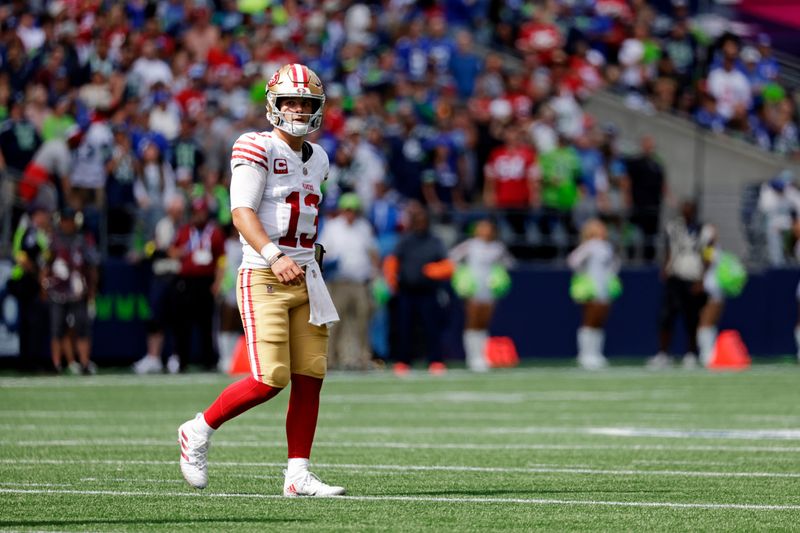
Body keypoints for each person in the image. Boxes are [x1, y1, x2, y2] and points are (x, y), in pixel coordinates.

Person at [178, 64, 344, 497]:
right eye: (290, 100)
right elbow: (242, 213)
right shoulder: (255, 145)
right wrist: (275, 254)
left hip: (306, 274)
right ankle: (197, 429)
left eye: (306, 102)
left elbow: (302, 216)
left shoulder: (320, 158)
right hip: (264, 272)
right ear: (273, 103)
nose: (297, 108)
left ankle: (298, 475)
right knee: (270, 378)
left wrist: (310, 255)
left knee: (311, 374)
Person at [384, 201, 454, 376]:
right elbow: (393, 261)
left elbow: (447, 265)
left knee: (432, 328)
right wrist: (392, 278)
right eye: (418, 220)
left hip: (428, 291)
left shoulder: (435, 241)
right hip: (407, 291)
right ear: (413, 222)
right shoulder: (405, 240)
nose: (421, 223)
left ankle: (436, 362)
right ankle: (403, 362)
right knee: (404, 328)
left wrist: (435, 271)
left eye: (424, 220)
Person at [318, 192, 379, 371]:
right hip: (339, 282)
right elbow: (322, 250)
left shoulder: (364, 227)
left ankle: (361, 359)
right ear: (342, 210)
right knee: (335, 322)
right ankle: (330, 360)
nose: (350, 213)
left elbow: (372, 251)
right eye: (347, 209)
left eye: (353, 210)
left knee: (362, 321)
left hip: (361, 282)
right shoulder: (332, 226)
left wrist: (376, 273)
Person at [449, 218, 514, 372]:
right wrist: (463, 277)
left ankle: (483, 357)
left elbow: (509, 263)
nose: (485, 231)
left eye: (487, 228)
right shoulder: (470, 245)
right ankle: (472, 357)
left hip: (489, 289)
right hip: (473, 289)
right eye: (481, 228)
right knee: (472, 322)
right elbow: (452, 257)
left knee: (484, 323)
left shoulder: (498, 247)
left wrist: (498, 276)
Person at [648, 200, 707, 369]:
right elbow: (668, 249)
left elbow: (707, 255)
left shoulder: (704, 230)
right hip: (675, 277)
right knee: (666, 316)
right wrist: (666, 267)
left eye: (690, 210)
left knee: (692, 318)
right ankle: (663, 354)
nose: (686, 213)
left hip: (693, 277)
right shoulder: (673, 227)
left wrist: (702, 279)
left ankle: (691, 353)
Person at [43, 207, 99, 374]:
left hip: (77, 291)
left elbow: (92, 266)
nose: (67, 224)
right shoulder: (54, 239)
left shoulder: (83, 239)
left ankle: (84, 362)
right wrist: (44, 284)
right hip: (57, 290)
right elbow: (46, 264)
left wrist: (92, 290)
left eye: (70, 220)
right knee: (57, 328)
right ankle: (56, 363)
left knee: (82, 327)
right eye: (64, 220)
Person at [567, 219, 621, 370]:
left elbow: (615, 264)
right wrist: (583, 274)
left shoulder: (607, 246)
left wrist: (611, 277)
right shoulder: (589, 246)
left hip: (604, 287)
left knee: (599, 321)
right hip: (591, 288)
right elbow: (573, 260)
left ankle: (596, 354)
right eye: (600, 228)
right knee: (589, 320)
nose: (604, 231)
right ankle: (585, 355)